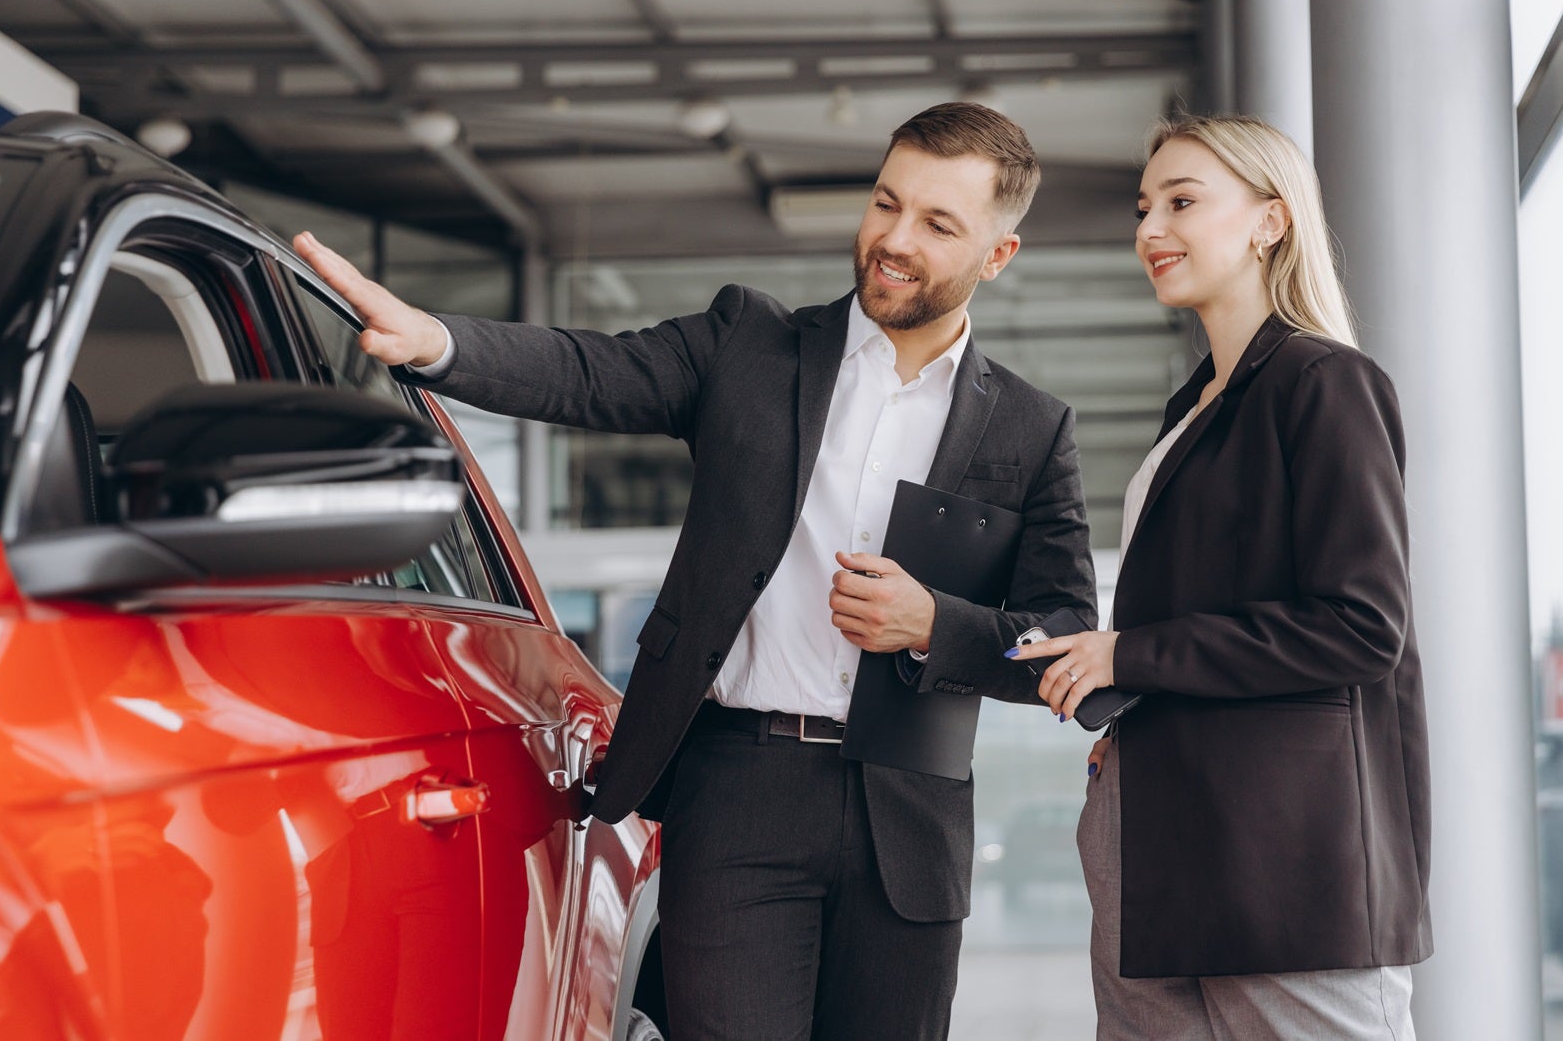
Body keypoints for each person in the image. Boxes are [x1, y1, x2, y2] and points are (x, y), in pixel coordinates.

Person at [293, 101, 1097, 1041]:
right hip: (741, 789)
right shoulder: (748, 344)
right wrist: (437, 341)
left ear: (998, 255)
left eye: (938, 224)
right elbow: (588, 371)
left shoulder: (1031, 428)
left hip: (908, 824)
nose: (894, 239)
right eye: (887, 203)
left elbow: (1062, 637)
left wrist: (933, 625)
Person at [1010, 114, 1430, 1040]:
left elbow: (1362, 625)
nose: (1150, 228)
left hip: (1285, 863)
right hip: (1161, 837)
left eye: (1182, 202)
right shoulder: (1195, 407)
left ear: (1270, 221)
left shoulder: (1326, 382)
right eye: (1143, 208)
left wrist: (1131, 656)